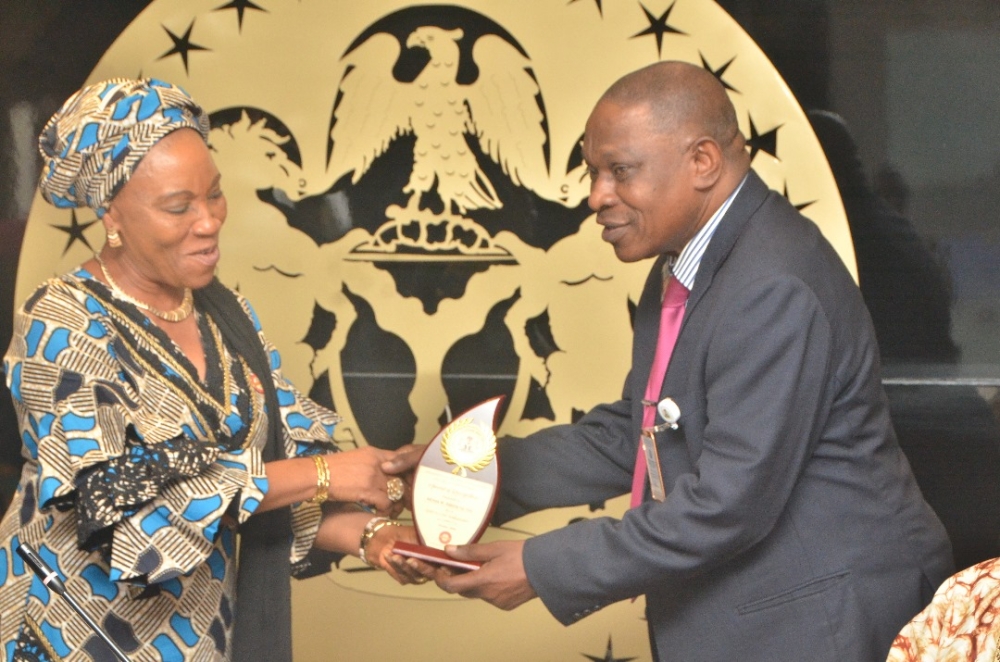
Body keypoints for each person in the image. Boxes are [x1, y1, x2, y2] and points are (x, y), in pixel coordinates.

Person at [386, 61, 955, 660]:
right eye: (593, 172)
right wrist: (463, 478)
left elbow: (726, 506)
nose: (596, 196)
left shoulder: (771, 286)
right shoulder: (688, 262)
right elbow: (636, 434)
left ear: (703, 161)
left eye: (619, 172)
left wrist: (541, 565)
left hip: (816, 619)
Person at [0, 78, 422, 662]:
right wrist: (324, 474)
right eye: (179, 206)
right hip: (72, 638)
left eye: (215, 195)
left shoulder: (226, 314)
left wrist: (372, 536)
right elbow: (120, 516)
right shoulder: (62, 323)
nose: (209, 222)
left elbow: (260, 489)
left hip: (203, 642)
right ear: (111, 213)